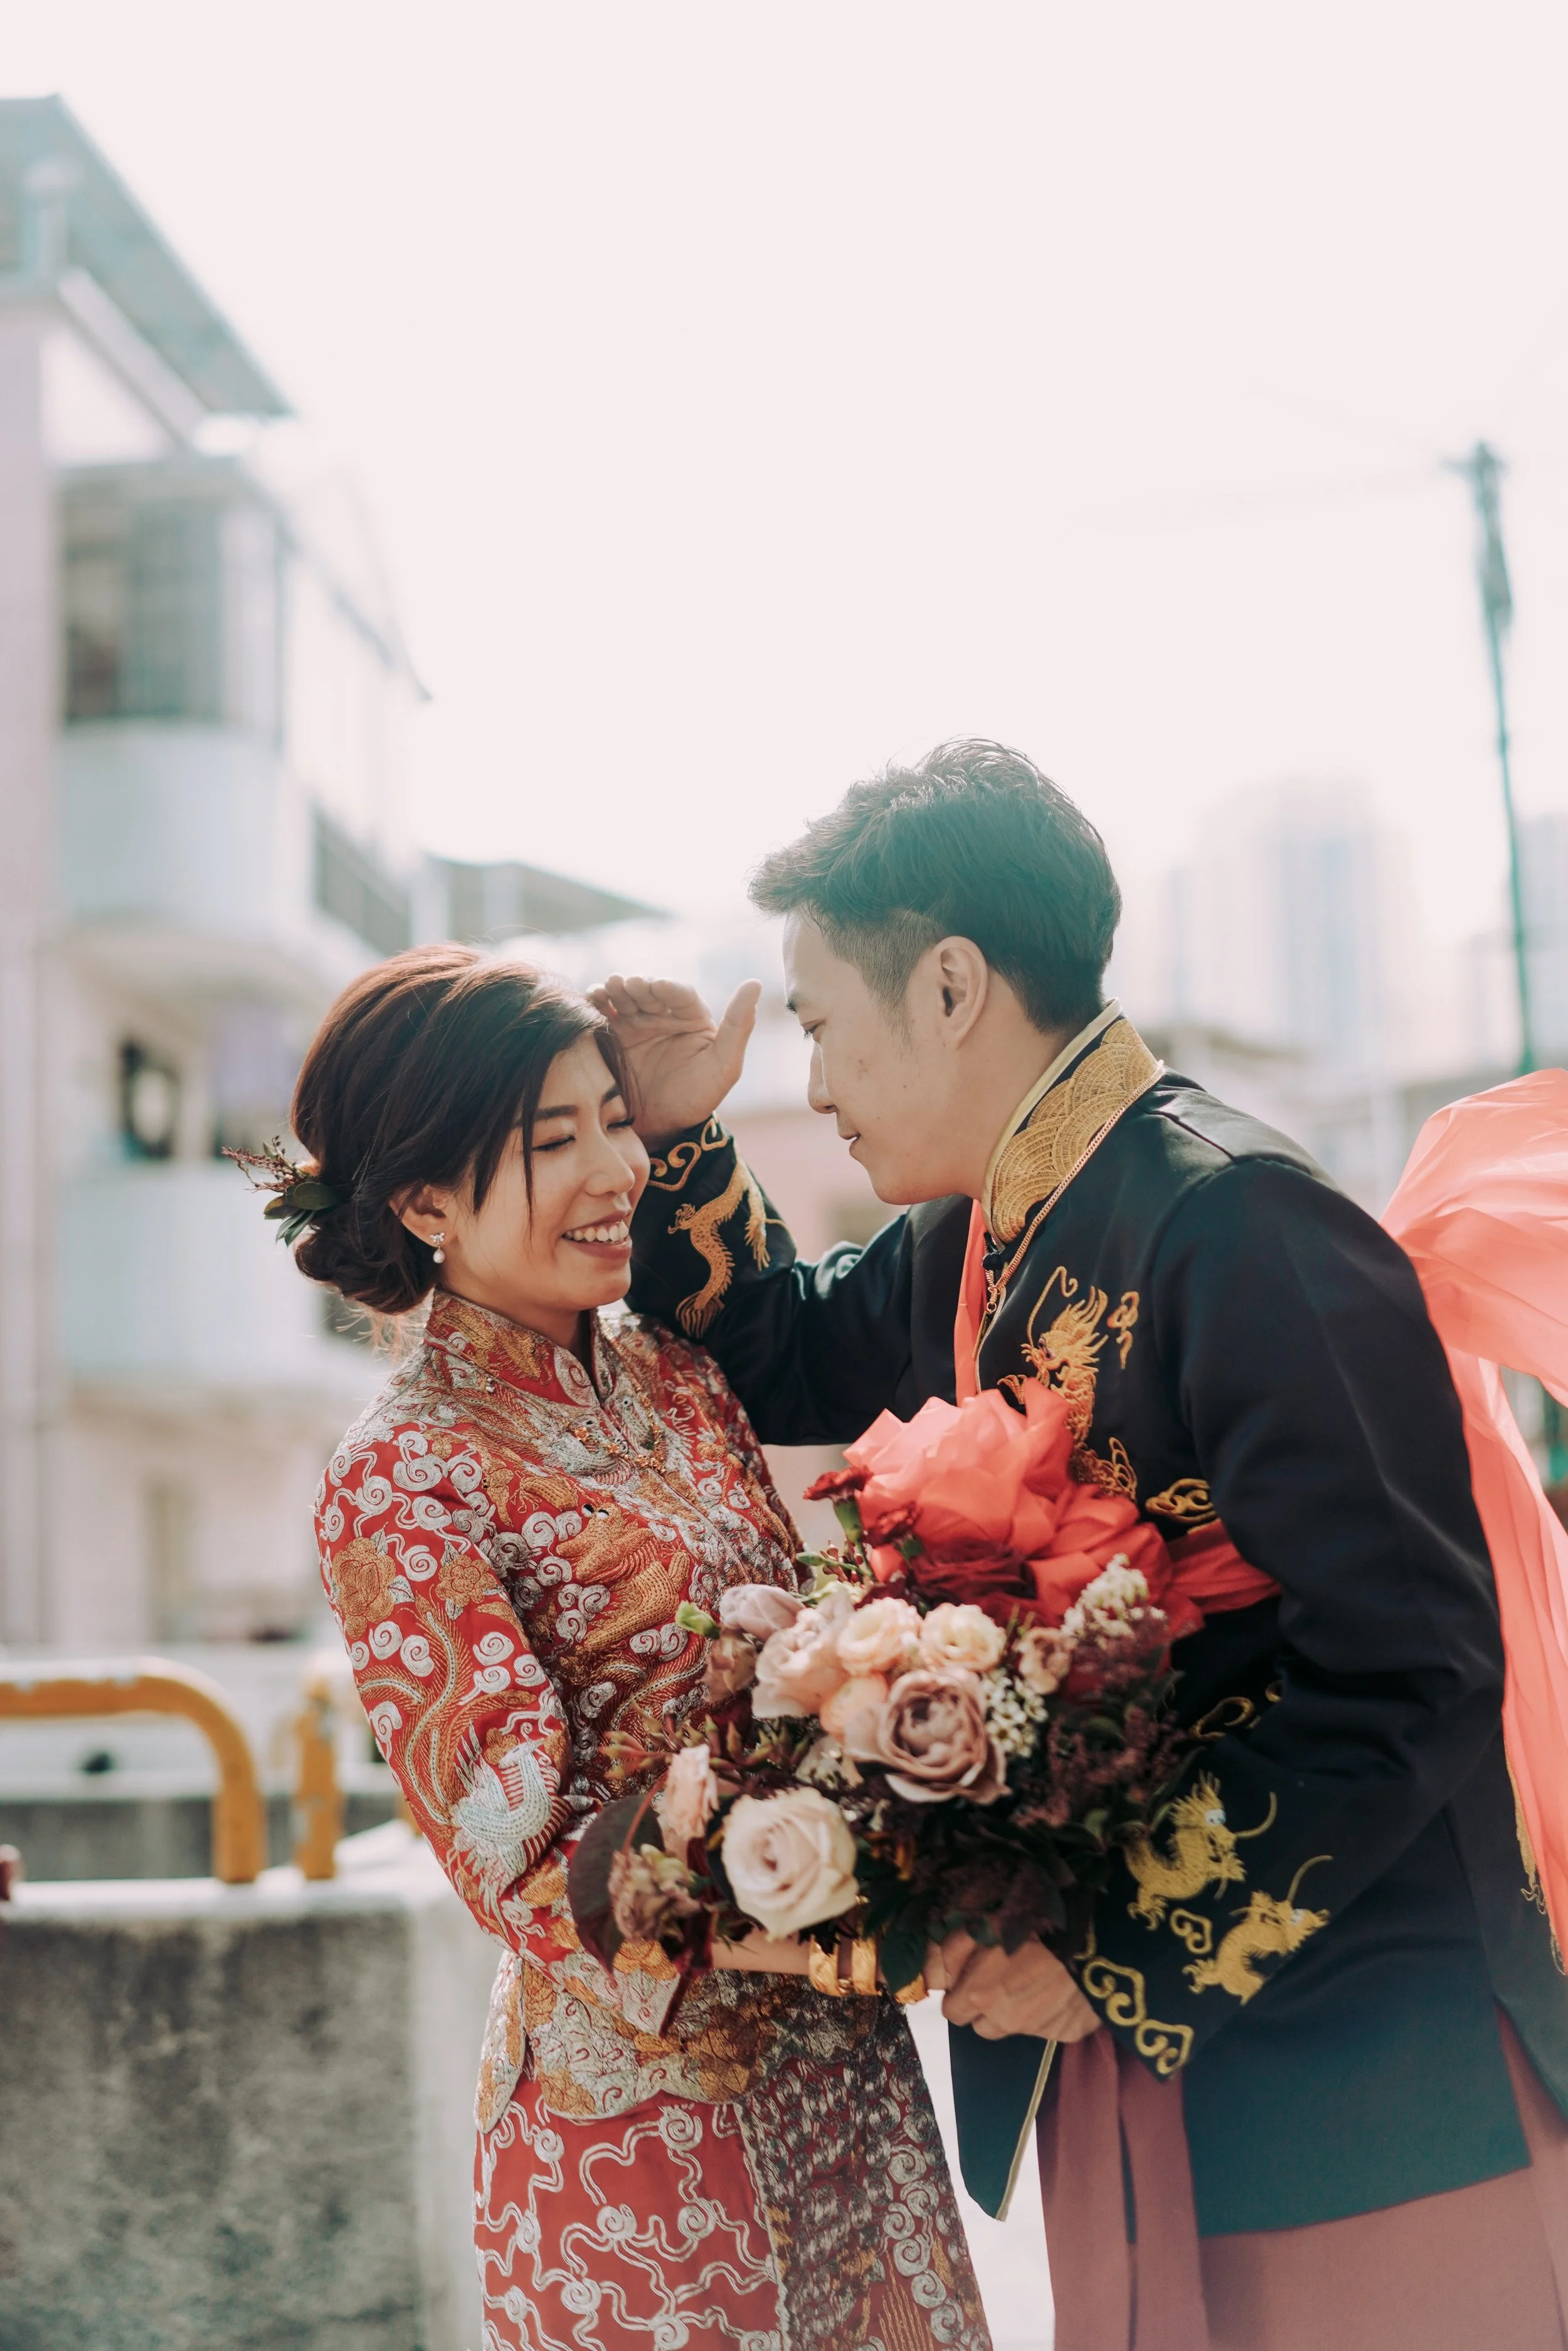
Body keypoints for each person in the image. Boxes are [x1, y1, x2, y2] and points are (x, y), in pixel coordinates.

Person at [600, 739, 1568, 2351]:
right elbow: (771, 1346)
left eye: (821, 1025)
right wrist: (682, 1140)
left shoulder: (1243, 1223)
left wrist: (1116, 1949)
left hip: (1359, 2054)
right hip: (1118, 2042)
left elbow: (1410, 1664)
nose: (814, 1084)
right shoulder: (969, 1238)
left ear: (951, 985)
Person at [268, 945, 990, 2351]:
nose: (617, 1169)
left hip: (844, 2080)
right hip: (640, 2136)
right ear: (424, 1200)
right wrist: (854, 1932)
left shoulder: (677, 1371)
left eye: (616, 1119)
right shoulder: (401, 1473)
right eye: (555, 1139)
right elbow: (525, 1864)